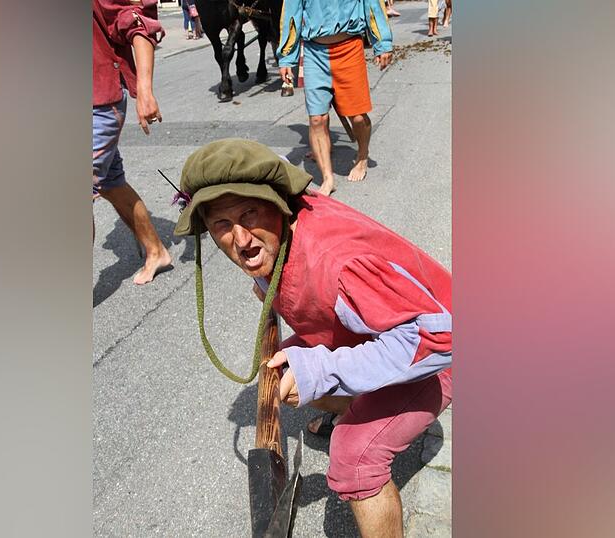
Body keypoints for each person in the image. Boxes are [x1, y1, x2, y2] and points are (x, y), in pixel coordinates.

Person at [174, 139, 453, 538]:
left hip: (438, 355)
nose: (241, 239)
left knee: (354, 455)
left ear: (277, 204)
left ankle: (358, 418)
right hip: (378, 331)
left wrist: (321, 369)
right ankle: (351, 403)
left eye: (249, 213)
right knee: (284, 371)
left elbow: (438, 337)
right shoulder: (280, 232)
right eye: (221, 225)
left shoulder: (334, 261)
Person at [276, 0, 394, 195]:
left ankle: (362, 156)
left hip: (349, 49)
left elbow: (372, 4)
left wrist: (383, 43)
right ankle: (328, 178)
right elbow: (291, 14)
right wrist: (287, 57)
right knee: (316, 119)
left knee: (357, 116)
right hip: (315, 52)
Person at [93, 0, 172, 285]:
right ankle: (156, 250)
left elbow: (136, 21)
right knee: (111, 183)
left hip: (98, 100)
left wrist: (145, 90)